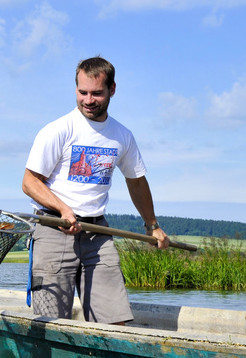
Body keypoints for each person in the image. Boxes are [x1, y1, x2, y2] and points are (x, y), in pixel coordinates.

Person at [21, 56, 170, 324]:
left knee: (116, 322)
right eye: (82, 92)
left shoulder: (122, 136)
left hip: (97, 234)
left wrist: (152, 225)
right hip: (54, 228)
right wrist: (63, 209)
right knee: (52, 322)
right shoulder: (58, 130)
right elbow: (30, 182)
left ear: (112, 89)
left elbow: (136, 181)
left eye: (97, 93)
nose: (88, 100)